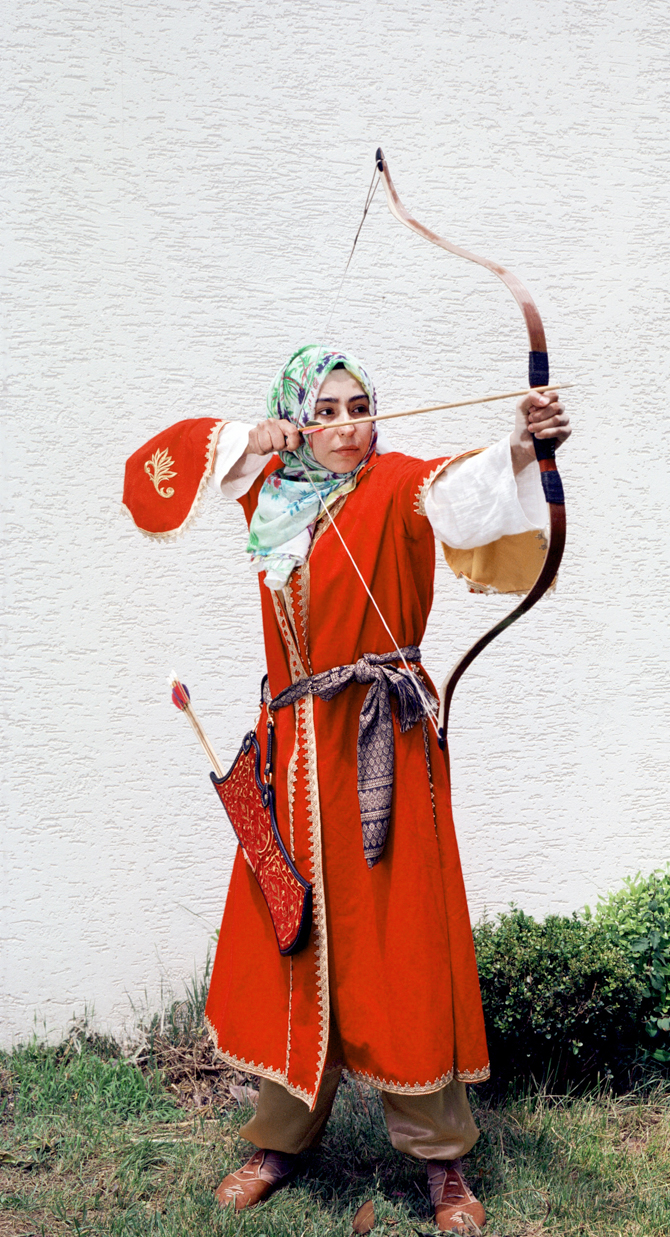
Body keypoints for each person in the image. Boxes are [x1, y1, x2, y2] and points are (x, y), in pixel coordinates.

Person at [122, 345, 570, 1233]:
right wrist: (259, 434)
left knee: (402, 939)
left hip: (382, 750)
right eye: (322, 410)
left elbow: (461, 489)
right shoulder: (269, 497)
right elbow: (168, 465)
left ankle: (442, 1164)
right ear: (294, 417)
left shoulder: (397, 483)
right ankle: (280, 1141)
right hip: (292, 752)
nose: (345, 425)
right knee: (292, 935)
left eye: (359, 406)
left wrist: (523, 446)